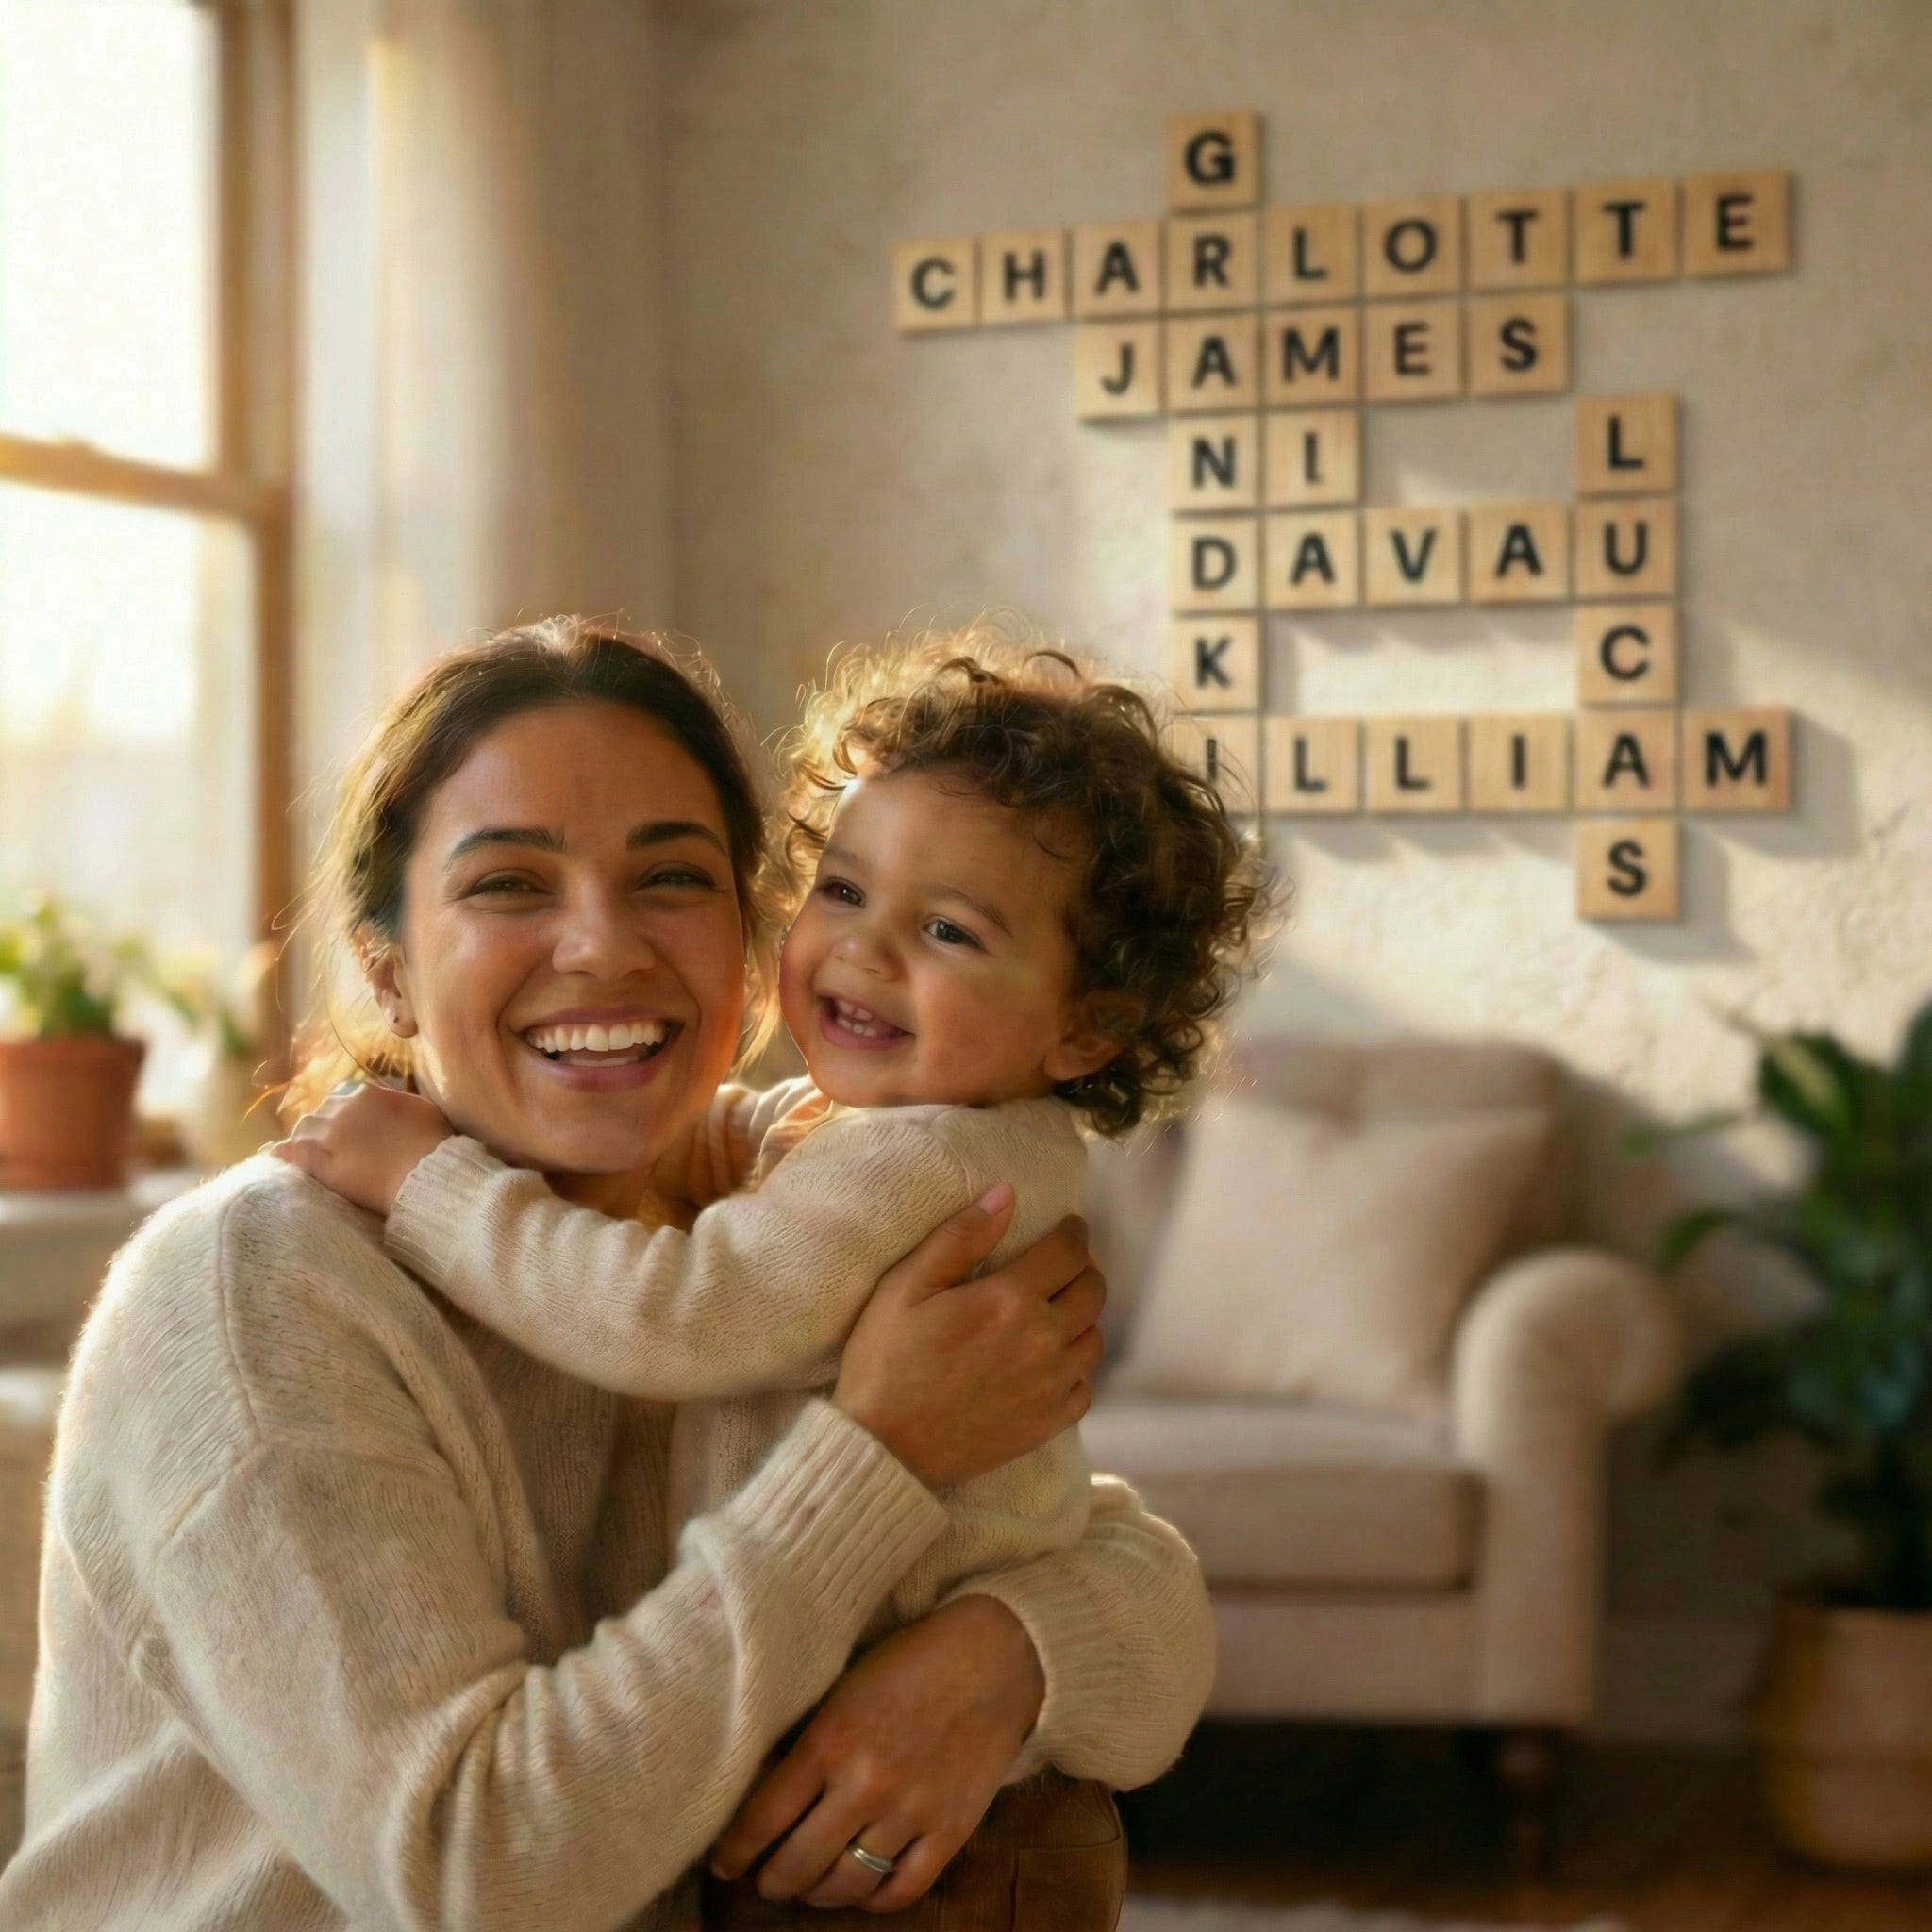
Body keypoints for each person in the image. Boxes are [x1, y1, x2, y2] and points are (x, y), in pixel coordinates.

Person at [0, 619, 1216, 1932]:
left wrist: (999, 1660)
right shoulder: (258, 1291)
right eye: (510, 885)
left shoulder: (729, 1210)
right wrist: (881, 1455)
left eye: (674, 879)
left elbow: (1148, 1601)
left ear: (744, 934)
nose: (604, 947)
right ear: (388, 964)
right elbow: (478, 1873)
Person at [277, 635, 1268, 1738]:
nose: (866, 950)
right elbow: (760, 1144)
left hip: (884, 1758)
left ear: (1086, 1024)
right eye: (842, 890)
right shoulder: (928, 1132)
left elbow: (682, 1313)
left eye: (947, 928)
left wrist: (431, 1182)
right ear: (381, 961)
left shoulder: (923, 1158)